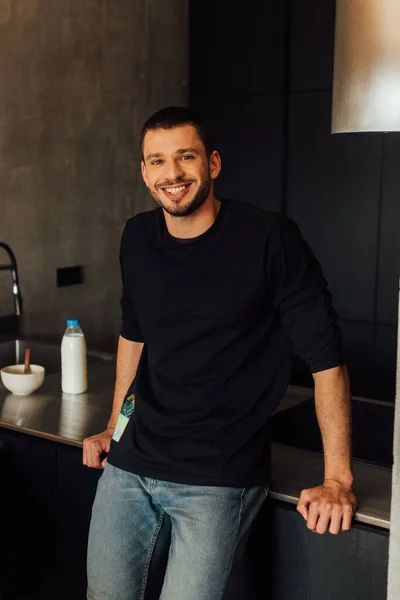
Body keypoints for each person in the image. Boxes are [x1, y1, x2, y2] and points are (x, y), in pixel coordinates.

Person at [83, 106, 357, 600]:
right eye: (158, 161)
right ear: (144, 171)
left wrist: (337, 477)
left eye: (185, 157)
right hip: (131, 463)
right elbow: (134, 336)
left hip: (218, 476)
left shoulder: (269, 239)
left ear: (213, 164)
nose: (172, 174)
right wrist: (114, 428)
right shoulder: (137, 238)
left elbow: (325, 359)